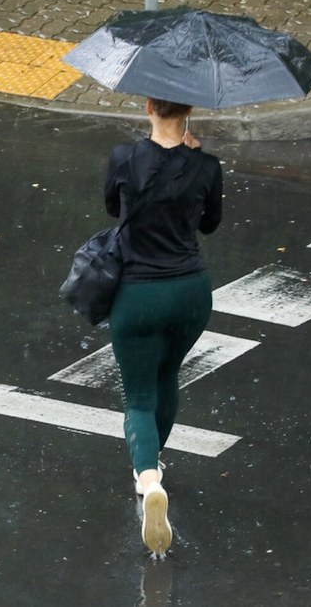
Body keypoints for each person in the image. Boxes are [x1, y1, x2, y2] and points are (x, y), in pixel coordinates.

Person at [104, 98, 223, 558]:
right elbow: (210, 224)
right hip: (191, 291)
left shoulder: (124, 158)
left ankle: (148, 476)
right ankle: (150, 465)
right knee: (168, 375)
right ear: (189, 107)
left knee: (138, 395)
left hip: (138, 293)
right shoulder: (207, 165)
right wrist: (191, 159)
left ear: (150, 105)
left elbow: (113, 206)